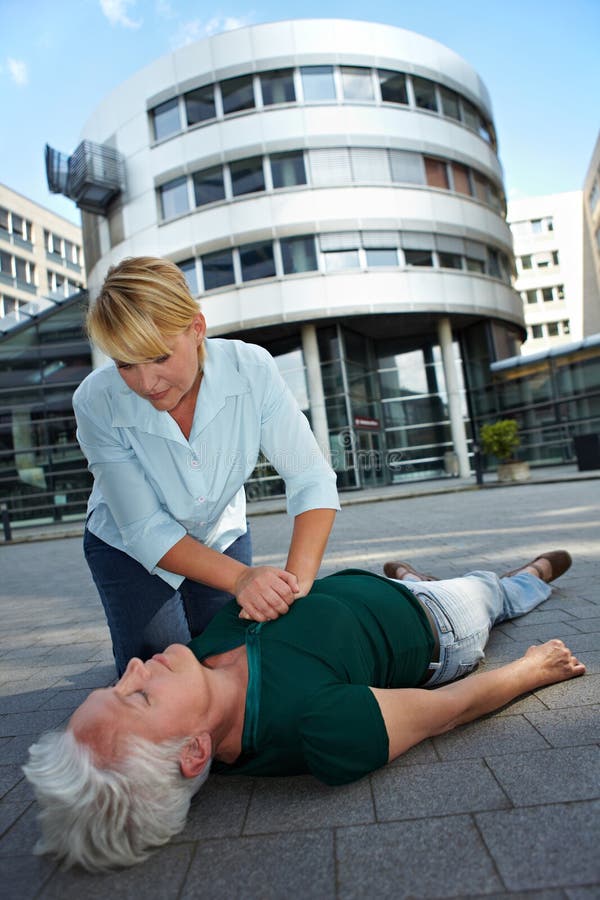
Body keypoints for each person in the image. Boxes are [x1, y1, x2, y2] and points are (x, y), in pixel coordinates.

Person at [24, 549, 585, 872]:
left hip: (365, 587)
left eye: (118, 684)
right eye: (139, 697)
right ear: (195, 750)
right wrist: (530, 671)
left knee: (448, 586)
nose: (134, 669)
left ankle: (416, 576)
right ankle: (527, 577)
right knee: (491, 593)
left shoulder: (191, 662)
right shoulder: (321, 729)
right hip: (439, 625)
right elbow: (447, 710)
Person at [73, 256, 340, 676]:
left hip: (220, 533)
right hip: (128, 548)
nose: (146, 384)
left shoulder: (251, 369)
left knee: (231, 661)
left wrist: (296, 586)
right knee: (162, 669)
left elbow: (309, 476)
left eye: (158, 357)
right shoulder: (95, 401)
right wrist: (241, 580)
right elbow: (145, 529)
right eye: (126, 364)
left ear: (196, 329)